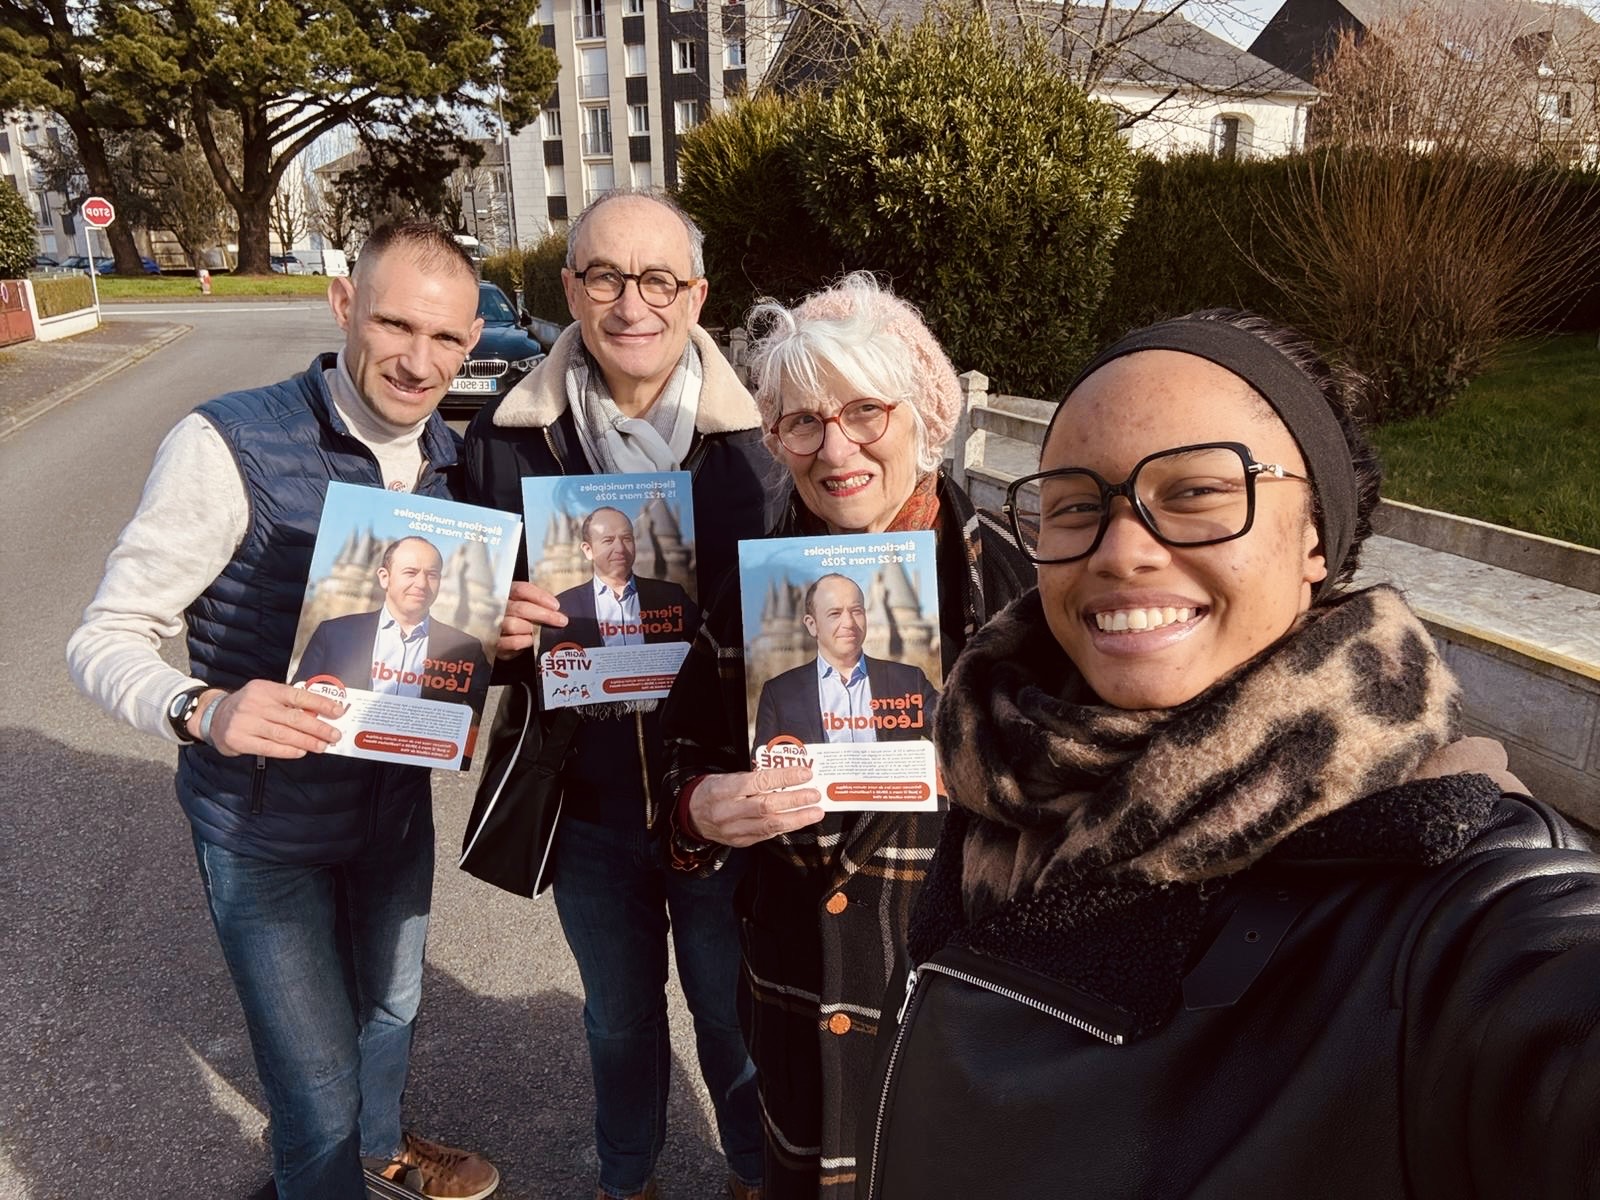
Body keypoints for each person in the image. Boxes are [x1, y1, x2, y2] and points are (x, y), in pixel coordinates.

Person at [858, 310, 1600, 1198]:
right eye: (1075, 505)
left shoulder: (1453, 893)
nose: (1124, 550)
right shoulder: (1009, 766)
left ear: (1315, 537)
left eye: (1198, 494)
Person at [66, 219, 502, 1200]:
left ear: (473, 340)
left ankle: (382, 1149)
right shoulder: (227, 441)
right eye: (393, 324)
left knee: (391, 1011)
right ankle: (332, 1164)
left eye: (444, 338)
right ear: (344, 304)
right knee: (311, 1092)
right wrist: (201, 706)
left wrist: (498, 645)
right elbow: (103, 635)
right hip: (263, 827)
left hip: (391, 811)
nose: (417, 359)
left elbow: (451, 649)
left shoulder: (453, 461)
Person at [657, 273, 1031, 1200]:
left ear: (927, 416)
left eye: (865, 410)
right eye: (801, 423)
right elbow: (683, 757)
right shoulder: (756, 589)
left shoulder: (1019, 588)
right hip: (799, 991)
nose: (836, 449)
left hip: (963, 995)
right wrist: (699, 811)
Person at [462, 189, 774, 1200]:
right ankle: (626, 1178)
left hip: (723, 805)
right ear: (568, 291)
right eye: (603, 276)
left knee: (733, 1012)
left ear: (696, 296)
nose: (630, 303)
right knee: (617, 1017)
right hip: (587, 805)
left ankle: (756, 1172)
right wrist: (492, 633)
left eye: (656, 280)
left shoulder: (764, 450)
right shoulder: (506, 439)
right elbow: (461, 630)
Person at [294, 535, 492, 704]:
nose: (421, 584)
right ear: (384, 577)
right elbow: (300, 697)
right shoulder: (334, 633)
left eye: (432, 575)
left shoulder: (466, 649)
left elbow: (483, 712)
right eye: (410, 573)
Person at [750, 573, 937, 751]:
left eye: (856, 611)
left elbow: (954, 733)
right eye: (835, 613)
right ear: (812, 625)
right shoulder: (779, 693)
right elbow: (763, 767)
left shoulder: (910, 681)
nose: (849, 622)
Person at [542, 506, 697, 651]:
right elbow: (548, 669)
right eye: (608, 540)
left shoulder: (672, 596)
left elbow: (705, 650)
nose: (620, 549)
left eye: (627, 539)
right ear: (588, 550)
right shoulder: (562, 607)